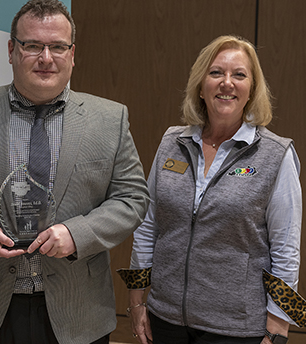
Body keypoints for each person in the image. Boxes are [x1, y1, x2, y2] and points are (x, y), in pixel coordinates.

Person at [0, 0, 150, 344]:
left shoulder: (109, 120)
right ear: (11, 50)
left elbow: (132, 198)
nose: (46, 58)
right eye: (32, 45)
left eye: (57, 46)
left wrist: (77, 234)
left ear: (72, 53)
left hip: (77, 307)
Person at [119, 35, 303, 344]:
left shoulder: (275, 155)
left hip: (236, 328)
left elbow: (286, 248)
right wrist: (137, 301)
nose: (227, 83)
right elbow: (148, 224)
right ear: (200, 85)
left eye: (239, 75)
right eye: (216, 72)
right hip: (165, 319)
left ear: (252, 90)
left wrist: (278, 329)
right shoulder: (171, 143)